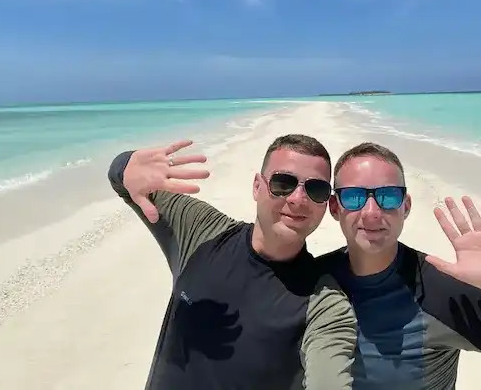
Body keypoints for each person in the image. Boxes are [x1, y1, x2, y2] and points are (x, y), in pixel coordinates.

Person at [320, 142, 481, 390]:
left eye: (388, 196)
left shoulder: (441, 293)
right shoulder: (313, 281)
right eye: (353, 197)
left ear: (406, 207)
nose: (371, 212)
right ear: (334, 207)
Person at [107, 135, 357, 390]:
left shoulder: (323, 304)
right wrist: (127, 165)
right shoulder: (202, 231)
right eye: (283, 183)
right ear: (257, 187)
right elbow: (124, 180)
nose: (298, 199)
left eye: (316, 189)